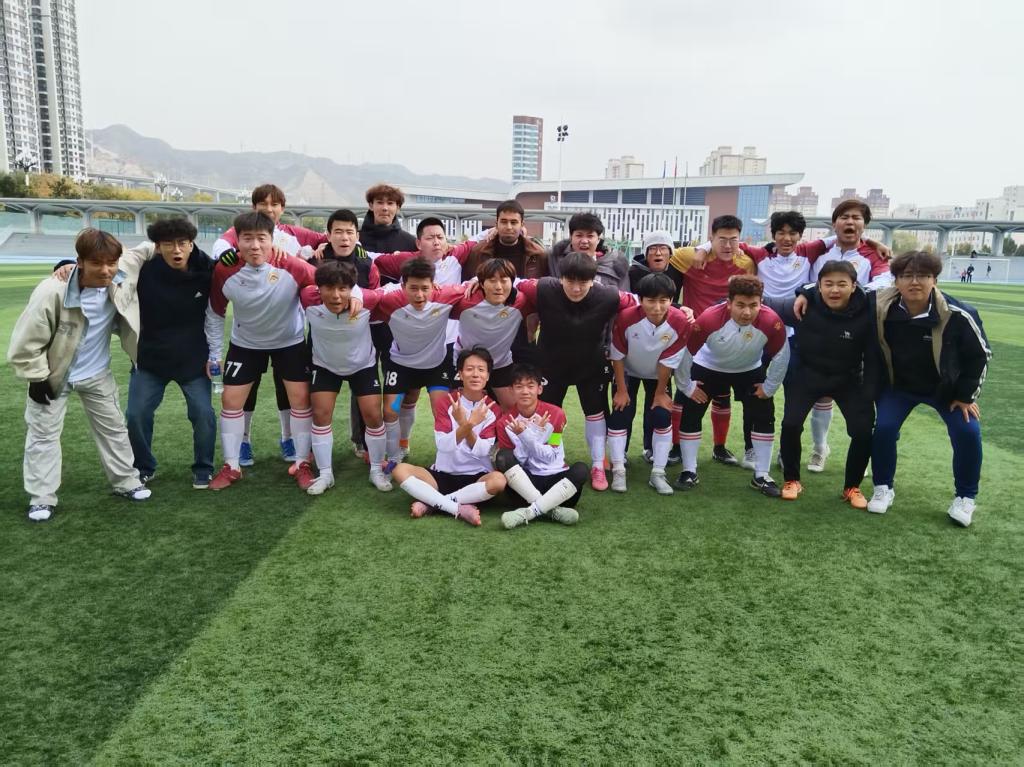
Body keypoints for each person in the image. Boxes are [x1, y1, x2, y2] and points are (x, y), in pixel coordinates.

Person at [8, 229, 154, 521]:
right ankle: (42, 498)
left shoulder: (122, 271)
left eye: (111, 263)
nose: (106, 270)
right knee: (43, 435)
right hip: (53, 375)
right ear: (80, 262)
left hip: (97, 373)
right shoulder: (52, 291)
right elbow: (26, 342)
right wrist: (37, 378)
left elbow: (149, 248)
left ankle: (126, 481)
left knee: (114, 428)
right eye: (96, 263)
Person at [866, 251, 991, 526]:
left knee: (968, 431)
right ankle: (883, 487)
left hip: (945, 390)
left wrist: (965, 396)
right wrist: (805, 293)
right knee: (884, 428)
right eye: (907, 276)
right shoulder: (879, 304)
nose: (915, 282)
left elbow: (980, 356)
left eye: (923, 275)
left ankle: (965, 497)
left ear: (935, 280)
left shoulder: (958, 314)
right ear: (896, 281)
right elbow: (840, 287)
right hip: (898, 387)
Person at [213, 183, 328, 466]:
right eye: (263, 203)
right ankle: (239, 449)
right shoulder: (231, 254)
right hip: (246, 340)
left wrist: (329, 247)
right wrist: (223, 254)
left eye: (274, 204)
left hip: (288, 338)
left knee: (293, 394)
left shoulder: (290, 243)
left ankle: (293, 446)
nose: (269, 208)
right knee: (239, 395)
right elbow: (221, 246)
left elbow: (328, 260)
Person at [516, 253, 636, 490]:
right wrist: (474, 282)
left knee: (595, 412)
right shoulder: (543, 288)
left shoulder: (609, 295)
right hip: (551, 365)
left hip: (590, 365)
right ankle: (547, 455)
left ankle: (598, 465)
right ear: (560, 278)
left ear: (593, 280)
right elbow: (512, 282)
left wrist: (681, 310)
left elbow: (643, 302)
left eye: (583, 282)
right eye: (570, 281)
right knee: (548, 416)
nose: (576, 288)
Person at [674, 275, 789, 496]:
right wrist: (687, 387)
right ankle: (689, 471)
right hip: (708, 367)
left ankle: (762, 475)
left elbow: (782, 354)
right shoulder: (709, 319)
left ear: (761, 302)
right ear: (729, 303)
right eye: (740, 305)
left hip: (749, 369)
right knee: (691, 414)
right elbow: (685, 352)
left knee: (764, 416)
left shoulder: (771, 321)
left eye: (753, 305)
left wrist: (769, 387)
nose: (747, 312)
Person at [124, 218, 217, 489]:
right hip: (150, 358)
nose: (176, 250)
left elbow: (238, 270)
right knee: (136, 414)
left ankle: (204, 467)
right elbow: (107, 266)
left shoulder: (207, 269)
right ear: (157, 247)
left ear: (191, 245)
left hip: (193, 359)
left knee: (203, 414)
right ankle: (143, 467)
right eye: (168, 244)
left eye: (182, 243)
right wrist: (66, 266)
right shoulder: (144, 270)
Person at [778, 261, 879, 507]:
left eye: (842, 284)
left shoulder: (868, 309)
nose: (835, 290)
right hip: (808, 375)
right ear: (819, 286)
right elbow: (765, 302)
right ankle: (792, 480)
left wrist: (870, 390)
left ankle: (852, 487)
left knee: (863, 430)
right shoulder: (804, 304)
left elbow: (873, 354)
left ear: (854, 286)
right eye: (828, 284)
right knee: (790, 424)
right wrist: (803, 291)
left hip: (848, 378)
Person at [668, 215, 757, 467]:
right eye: (721, 239)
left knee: (722, 394)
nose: (727, 245)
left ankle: (719, 447)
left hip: (728, 340)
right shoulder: (688, 257)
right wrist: (703, 249)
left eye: (733, 240)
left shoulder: (746, 263)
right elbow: (670, 291)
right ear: (711, 238)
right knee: (685, 392)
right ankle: (676, 447)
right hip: (694, 338)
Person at [299, 260, 391, 494]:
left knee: (373, 416)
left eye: (343, 289)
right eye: (329, 288)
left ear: (352, 288)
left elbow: (391, 290)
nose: (336, 295)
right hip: (325, 365)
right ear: (319, 288)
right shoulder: (308, 298)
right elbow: (298, 276)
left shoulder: (367, 299)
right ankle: (325, 474)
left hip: (362, 365)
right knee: (320, 415)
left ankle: (377, 471)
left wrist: (358, 294)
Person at [366, 257, 469, 464]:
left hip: (436, 366)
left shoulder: (446, 295)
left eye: (425, 288)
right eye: (413, 288)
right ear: (402, 286)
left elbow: (473, 286)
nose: (419, 295)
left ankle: (448, 457)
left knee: (442, 409)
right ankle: (395, 455)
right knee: (391, 410)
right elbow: (364, 296)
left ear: (434, 285)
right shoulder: (389, 300)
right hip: (402, 366)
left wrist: (474, 281)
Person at [391, 347, 506, 526]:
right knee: (399, 470)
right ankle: (457, 508)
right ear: (460, 374)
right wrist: (468, 424)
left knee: (498, 481)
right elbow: (443, 445)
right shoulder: (446, 402)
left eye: (481, 370)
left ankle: (433, 503)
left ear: (488, 376)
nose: (475, 374)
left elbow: (483, 451)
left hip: (476, 477)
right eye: (469, 369)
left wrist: (466, 424)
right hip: (441, 474)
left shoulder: (493, 408)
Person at [608, 273, 694, 495]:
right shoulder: (626, 317)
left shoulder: (681, 322)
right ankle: (618, 469)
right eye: (651, 301)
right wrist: (621, 389)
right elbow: (617, 355)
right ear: (640, 299)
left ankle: (658, 472)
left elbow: (669, 361)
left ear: (672, 300)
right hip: (628, 371)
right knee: (620, 414)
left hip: (658, 375)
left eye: (663, 300)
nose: (657, 307)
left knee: (662, 416)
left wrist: (660, 393)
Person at [314, 208, 381, 460]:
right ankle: (312, 451)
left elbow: (376, 296)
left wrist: (358, 296)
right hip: (323, 343)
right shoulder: (315, 259)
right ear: (328, 235)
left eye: (349, 232)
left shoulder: (366, 264)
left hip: (359, 339)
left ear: (357, 235)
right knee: (318, 405)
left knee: (367, 400)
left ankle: (364, 444)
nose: (344, 237)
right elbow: (306, 292)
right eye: (338, 232)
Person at [495, 364, 588, 529]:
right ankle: (551, 510)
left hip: (557, 480)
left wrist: (528, 435)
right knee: (502, 457)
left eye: (530, 386)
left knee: (581, 469)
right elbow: (519, 461)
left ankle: (528, 512)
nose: (525, 391)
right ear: (511, 390)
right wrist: (527, 435)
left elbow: (551, 456)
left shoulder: (556, 414)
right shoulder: (505, 422)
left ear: (539, 389)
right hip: (526, 484)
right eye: (519, 386)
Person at [453, 258, 535, 409]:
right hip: (467, 364)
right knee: (463, 409)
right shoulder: (465, 300)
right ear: (482, 283)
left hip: (500, 362)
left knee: (513, 408)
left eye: (504, 281)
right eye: (492, 281)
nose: (498, 287)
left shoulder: (520, 301)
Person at [461, 199, 548, 281]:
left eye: (513, 222)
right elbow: (466, 285)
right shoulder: (477, 253)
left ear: (522, 225)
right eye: (504, 221)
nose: (508, 227)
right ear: (496, 224)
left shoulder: (538, 255)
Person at [549, 212, 630, 290]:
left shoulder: (615, 265)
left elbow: (624, 295)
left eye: (590, 236)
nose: (584, 241)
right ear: (571, 237)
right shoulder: (556, 259)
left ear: (598, 239)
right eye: (579, 235)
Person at [359, 183, 418, 254]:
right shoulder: (355, 240)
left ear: (398, 208)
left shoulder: (411, 243)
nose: (385, 208)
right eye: (380, 202)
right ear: (371, 206)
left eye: (390, 203)